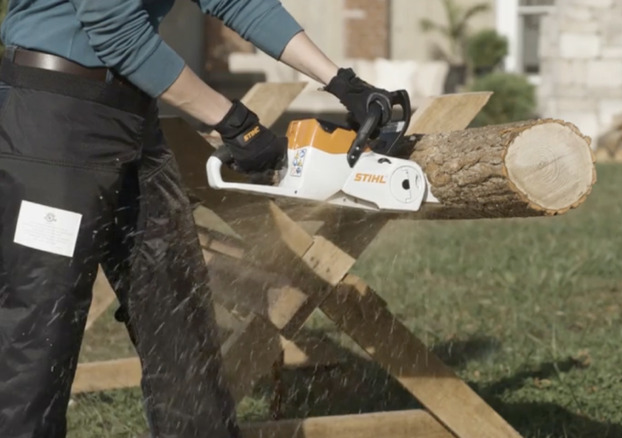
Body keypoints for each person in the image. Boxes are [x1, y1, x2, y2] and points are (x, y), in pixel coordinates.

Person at [0, 1, 394, 437]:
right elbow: (114, 27)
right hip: (53, 118)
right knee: (40, 330)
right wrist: (232, 121)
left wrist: (340, 81)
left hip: (135, 118)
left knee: (179, 313)